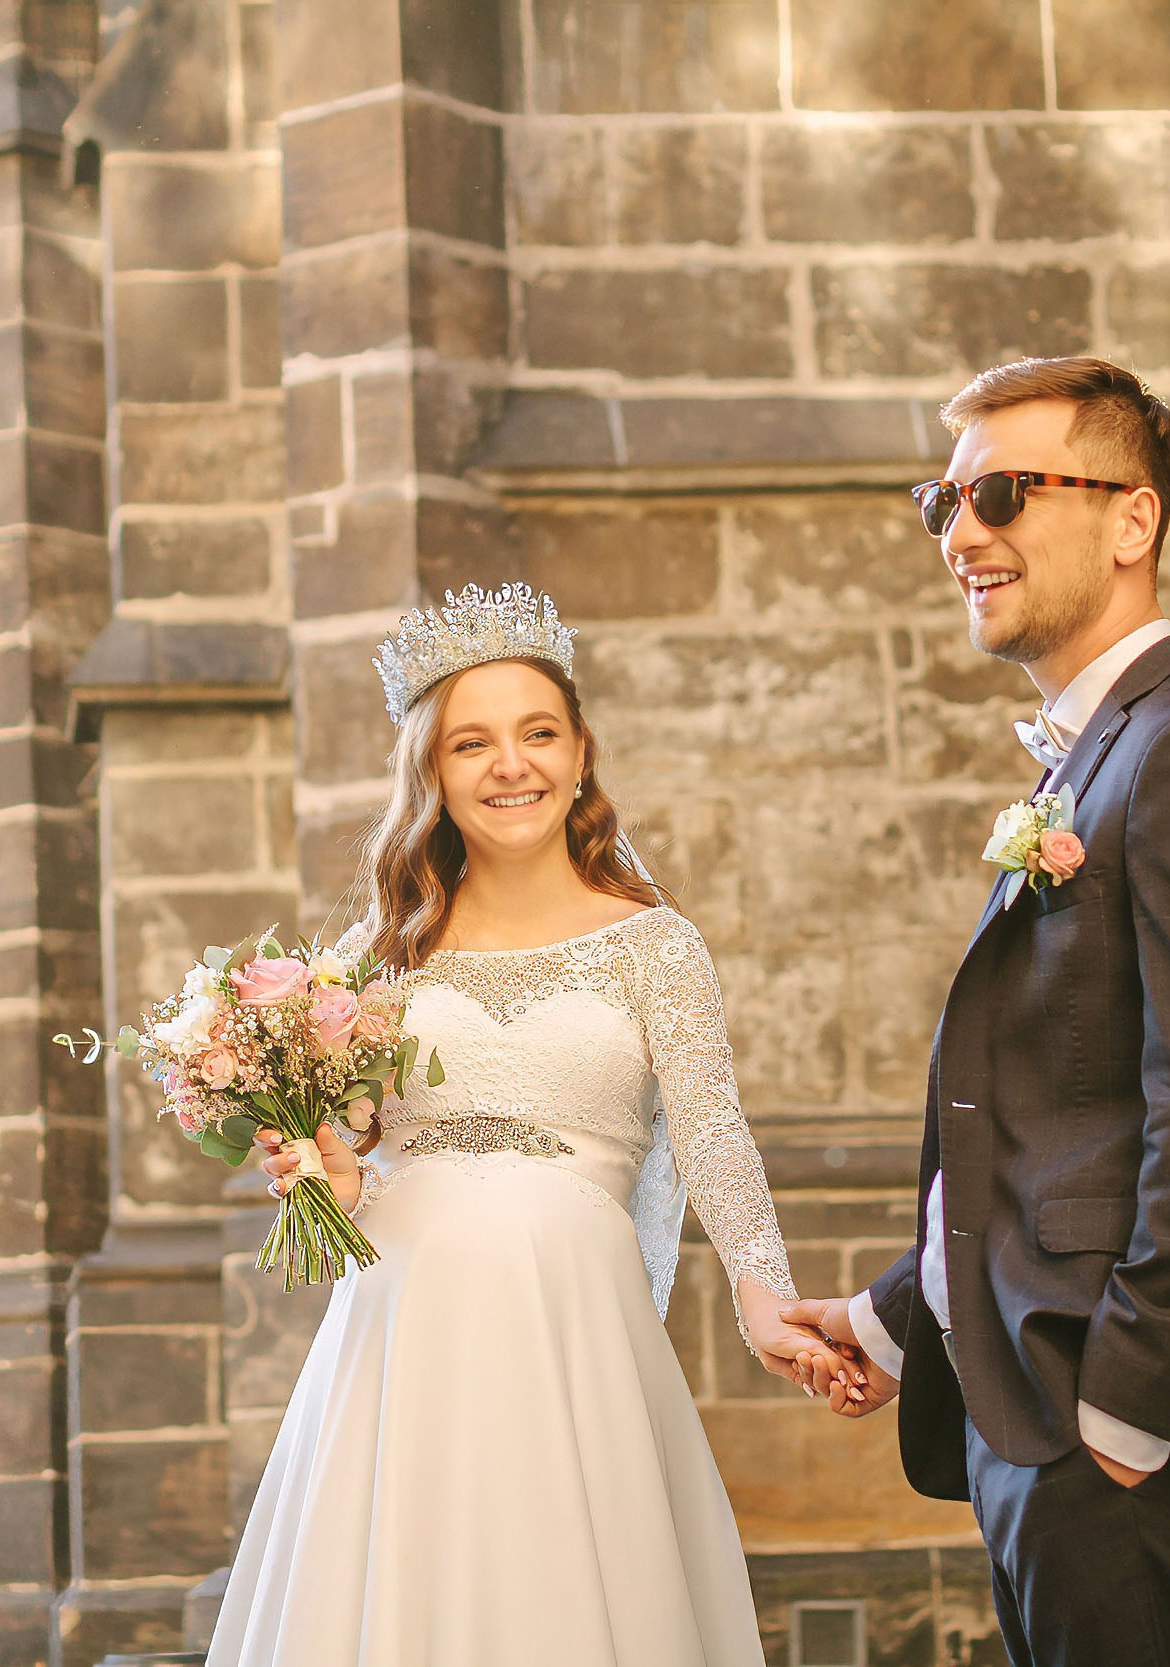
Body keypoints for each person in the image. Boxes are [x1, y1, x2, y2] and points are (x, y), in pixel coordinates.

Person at [781, 357, 1170, 1667]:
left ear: (1134, 519)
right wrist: (890, 1315)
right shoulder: (1101, 757)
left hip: (1113, 1430)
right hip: (1032, 1420)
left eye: (1006, 494)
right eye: (943, 502)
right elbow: (1065, 1117)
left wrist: (1128, 1408)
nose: (965, 534)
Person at [208, 583, 841, 1667]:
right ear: (433, 773)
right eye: (472, 742)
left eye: (537, 732)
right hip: (407, 1320)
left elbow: (712, 1135)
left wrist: (762, 1291)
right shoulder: (372, 956)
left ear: (580, 750)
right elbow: (351, 1156)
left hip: (572, 1317)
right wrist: (315, 1168)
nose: (512, 764)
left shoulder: (654, 945)